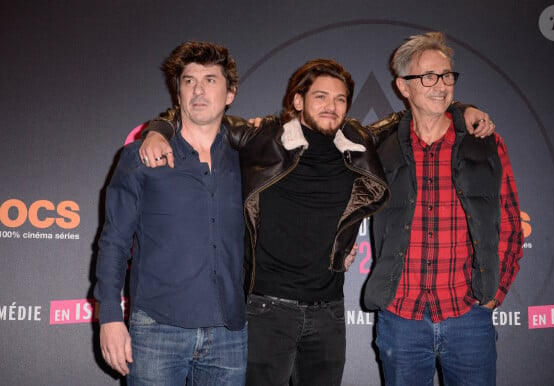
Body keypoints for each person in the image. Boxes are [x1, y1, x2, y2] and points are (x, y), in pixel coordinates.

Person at [140, 55, 494, 385]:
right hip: (267, 310)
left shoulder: (358, 141)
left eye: (340, 99)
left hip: (329, 314)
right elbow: (203, 116)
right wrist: (159, 128)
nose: (331, 106)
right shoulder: (262, 137)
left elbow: (414, 111)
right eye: (321, 96)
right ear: (298, 101)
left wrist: (462, 109)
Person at [363, 32, 523, 386]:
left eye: (447, 75)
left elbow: (511, 223)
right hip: (401, 319)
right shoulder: (380, 147)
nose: (440, 85)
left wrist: (495, 295)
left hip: (469, 318)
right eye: (428, 77)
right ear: (403, 87)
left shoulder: (486, 143)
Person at [94, 41, 247, 385]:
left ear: (230, 93)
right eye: (189, 80)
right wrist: (109, 318)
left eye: (210, 79)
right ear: (178, 93)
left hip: (230, 334)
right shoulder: (140, 156)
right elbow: (114, 241)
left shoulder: (250, 161)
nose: (198, 89)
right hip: (157, 332)